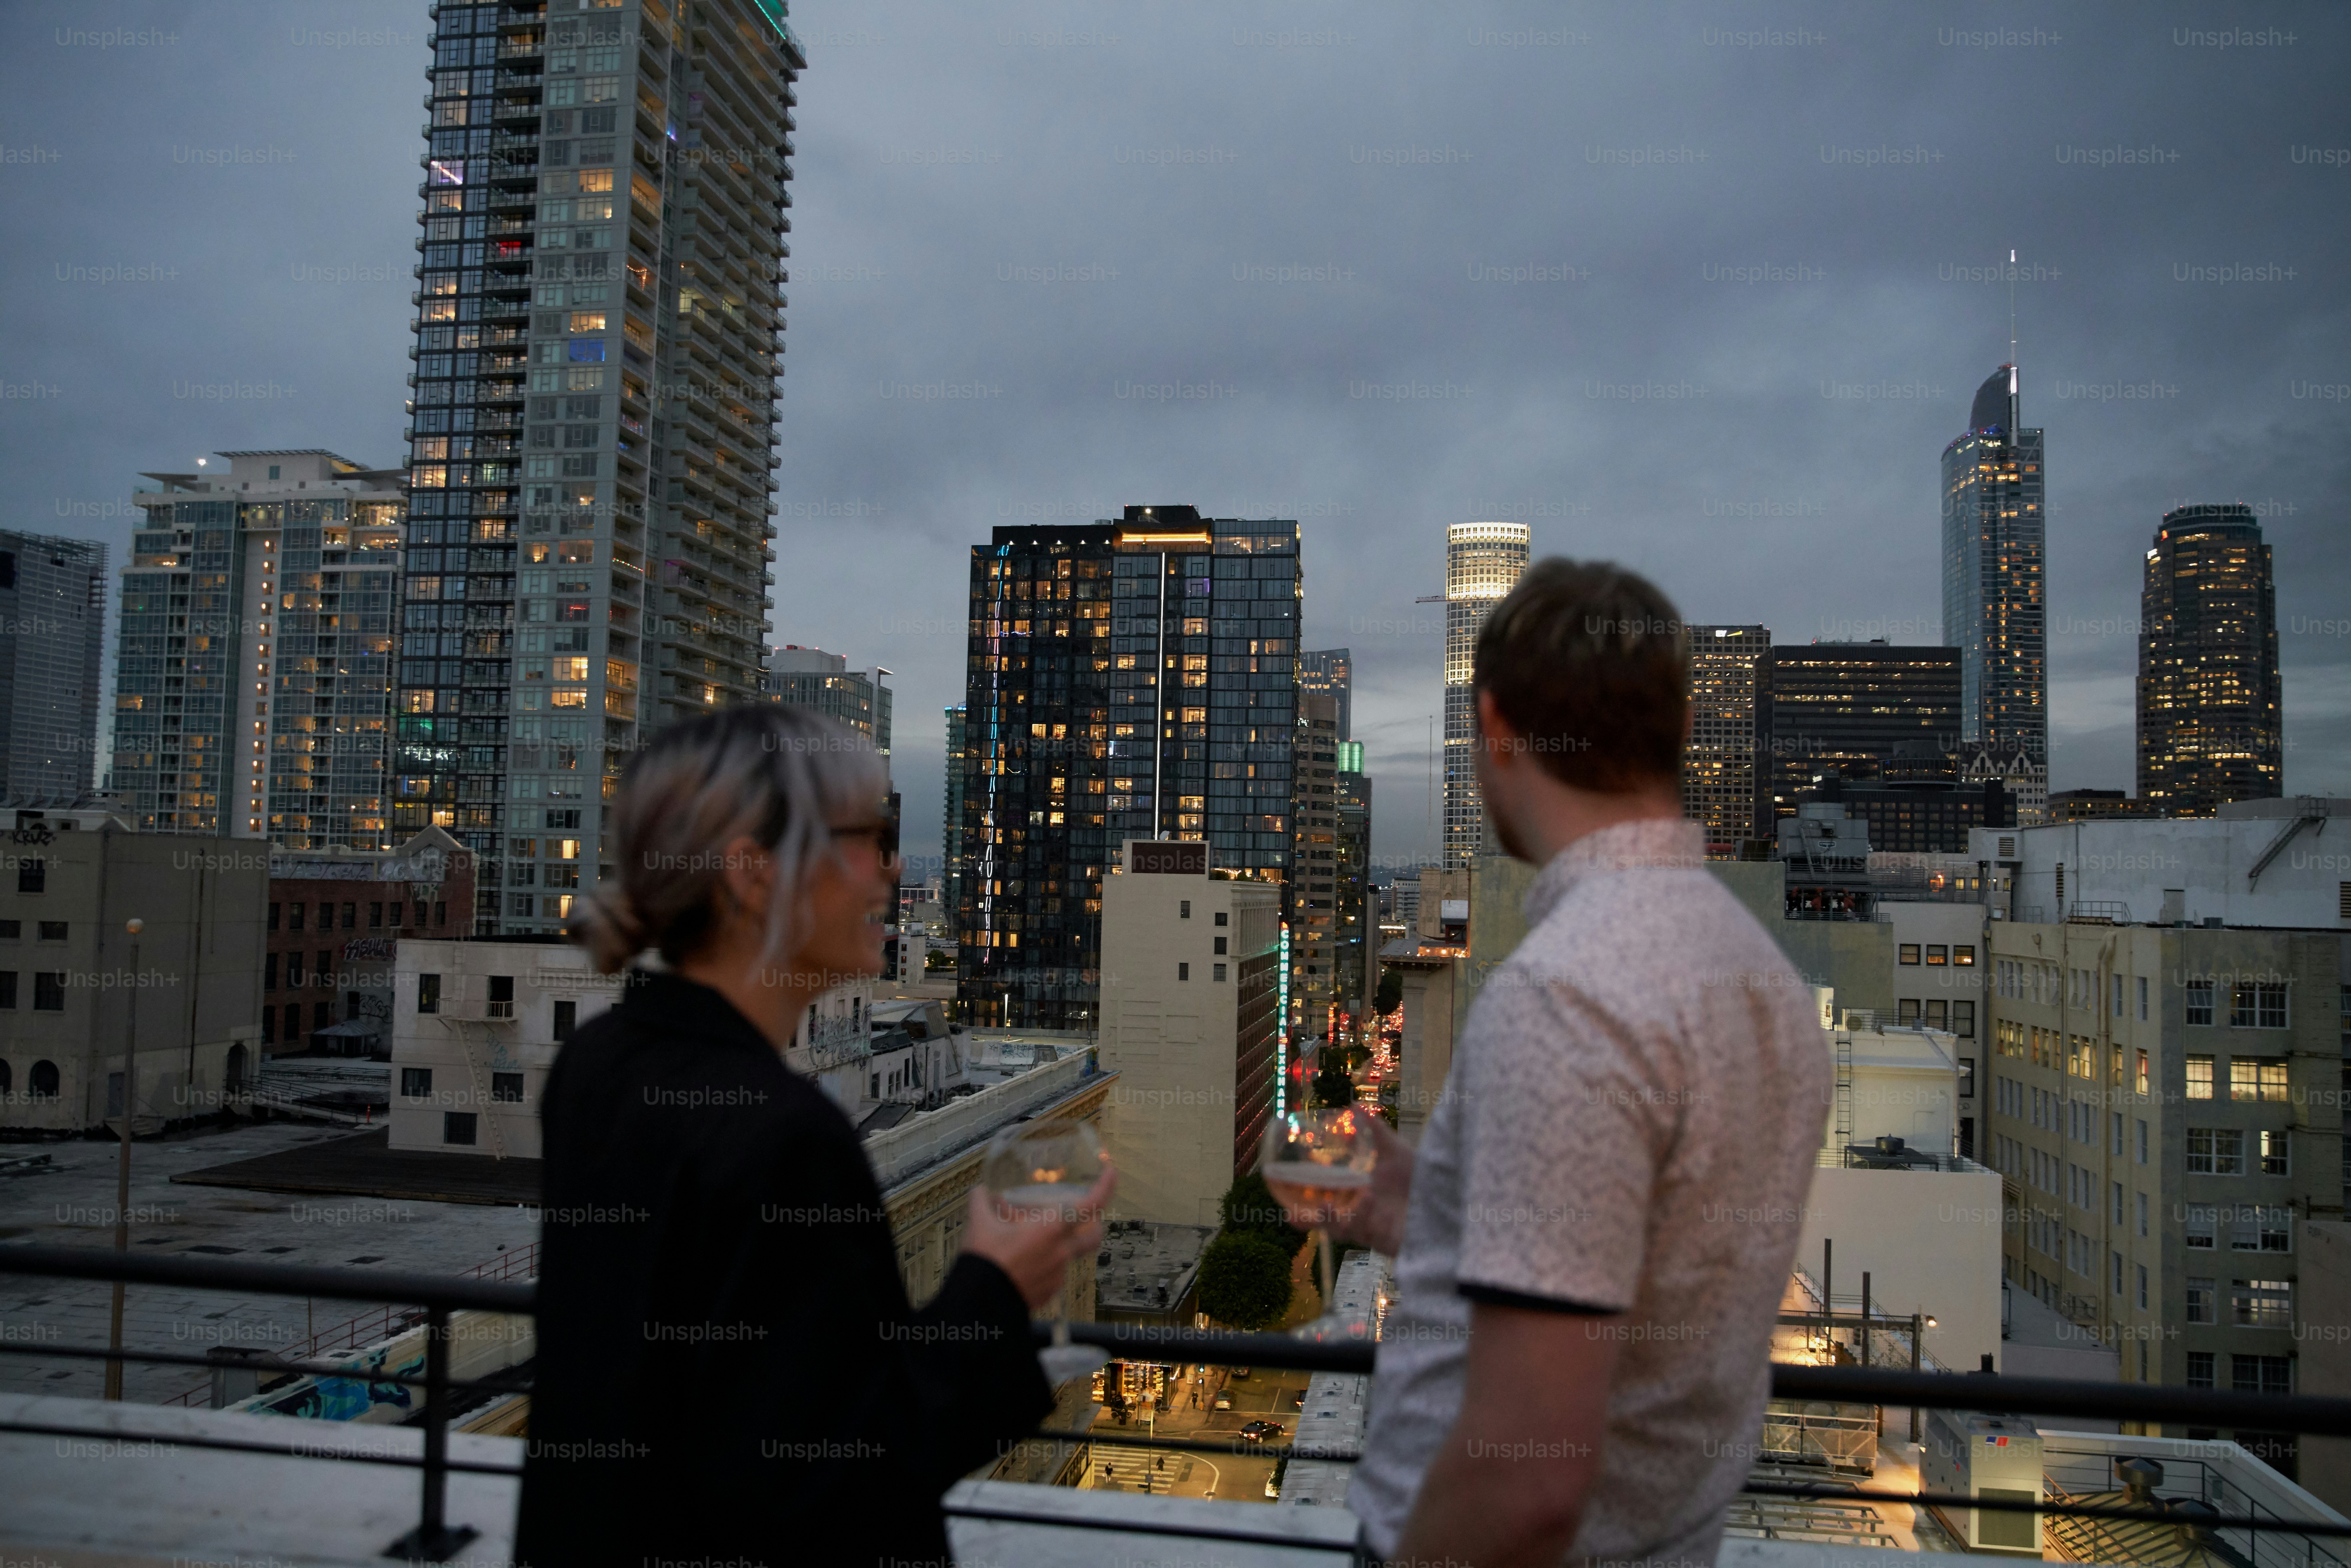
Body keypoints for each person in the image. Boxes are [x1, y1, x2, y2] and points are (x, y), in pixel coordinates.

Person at [1310, 561, 1833, 1568]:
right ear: (1680, 731)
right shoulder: (1761, 977)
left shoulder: (1568, 996)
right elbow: (1635, 1265)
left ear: (1498, 730)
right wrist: (1431, 1206)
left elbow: (1529, 1485)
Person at [516, 705, 1110, 1567]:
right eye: (872, 834)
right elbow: (845, 1484)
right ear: (755, 873)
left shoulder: (600, 1066)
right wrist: (993, 1284)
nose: (894, 867)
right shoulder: (783, 1136)